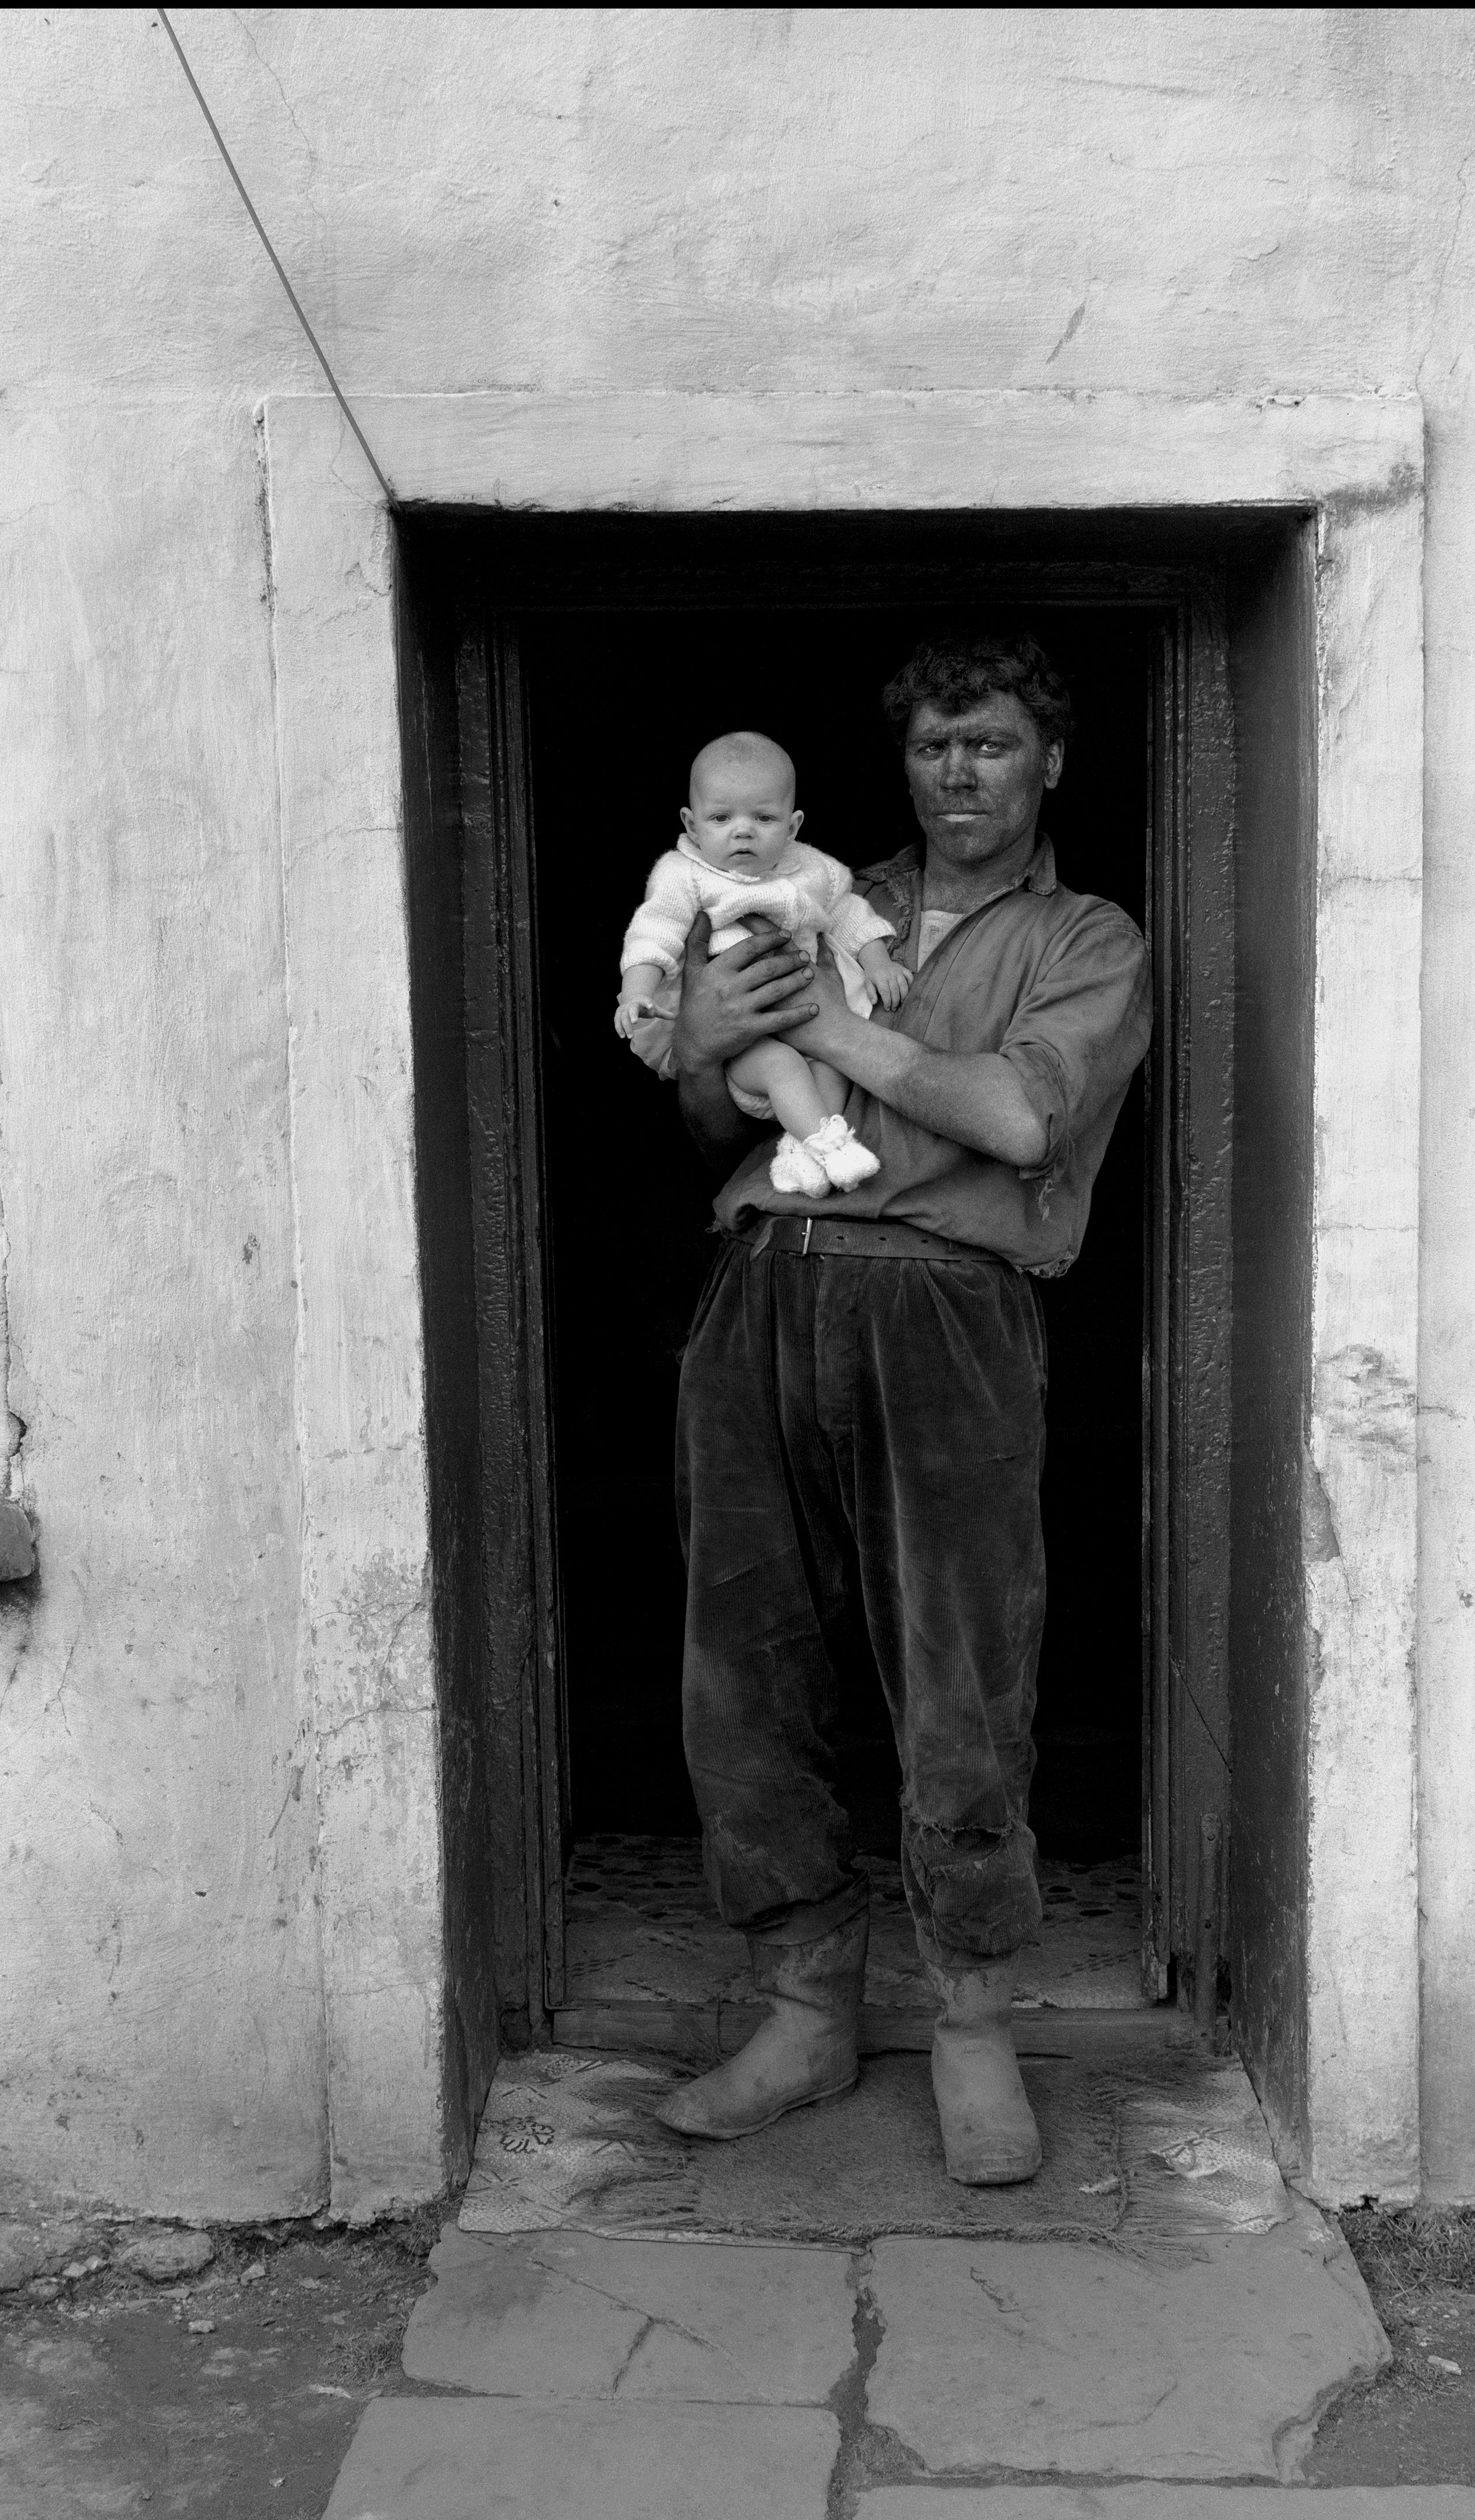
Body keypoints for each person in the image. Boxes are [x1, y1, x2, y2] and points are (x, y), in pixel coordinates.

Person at [654, 633, 1153, 2185]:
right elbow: (703, 1109)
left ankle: (971, 2026)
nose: (960, 773)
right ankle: (803, 2012)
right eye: (935, 746)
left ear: (1048, 760)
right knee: (743, 1662)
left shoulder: (1086, 936)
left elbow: (1015, 1115)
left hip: (946, 1303)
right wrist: (717, 1044)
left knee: (961, 1670)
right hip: (762, 1281)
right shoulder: (813, 888)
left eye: (990, 743)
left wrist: (823, 1026)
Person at [615, 730, 909, 1195]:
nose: (743, 830)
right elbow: (654, 932)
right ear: (691, 824)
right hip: (739, 1045)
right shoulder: (684, 874)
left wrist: (877, 963)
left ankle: (798, 1151)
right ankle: (833, 1149)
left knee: (834, 1065)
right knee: (782, 1065)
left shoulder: (814, 869)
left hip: (811, 1022)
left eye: (764, 817)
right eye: (721, 817)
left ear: (792, 827)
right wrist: (636, 991)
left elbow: (850, 914)